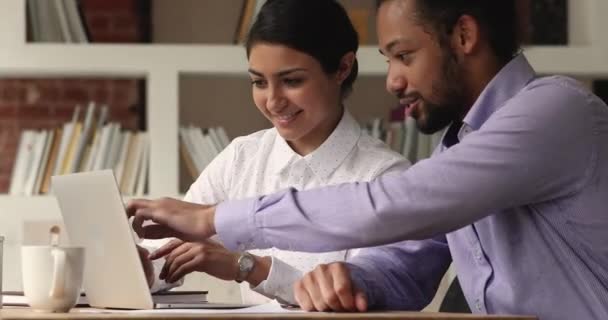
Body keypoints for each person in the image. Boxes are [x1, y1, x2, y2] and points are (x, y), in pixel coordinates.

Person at [128, 0, 608, 318]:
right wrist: (352, 280)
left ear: (463, 36)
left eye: (404, 56)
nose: (393, 82)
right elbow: (405, 264)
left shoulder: (556, 110)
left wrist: (214, 218)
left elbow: (396, 203)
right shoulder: (458, 147)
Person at [134, 0, 410, 305]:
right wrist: (142, 267)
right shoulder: (242, 158)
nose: (273, 101)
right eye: (258, 82)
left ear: (342, 68)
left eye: (291, 81)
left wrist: (246, 266)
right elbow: (168, 254)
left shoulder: (385, 178)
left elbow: (351, 297)